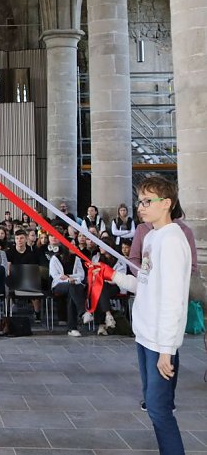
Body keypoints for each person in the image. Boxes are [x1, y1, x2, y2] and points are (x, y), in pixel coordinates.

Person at [96, 176, 191, 454]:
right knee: (154, 407)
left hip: (159, 342)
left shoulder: (173, 240)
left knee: (160, 410)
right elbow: (146, 283)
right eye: (140, 201)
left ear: (166, 204)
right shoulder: (151, 236)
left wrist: (166, 350)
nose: (141, 206)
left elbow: (174, 298)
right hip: (146, 334)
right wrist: (113, 275)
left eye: (147, 201)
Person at [49, 242, 87, 337]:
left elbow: (81, 275)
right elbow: (56, 276)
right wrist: (68, 280)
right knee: (72, 287)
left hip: (74, 284)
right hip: (59, 286)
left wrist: (69, 277)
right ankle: (83, 311)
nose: (75, 247)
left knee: (72, 294)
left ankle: (72, 328)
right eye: (73, 245)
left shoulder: (77, 259)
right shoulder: (55, 259)